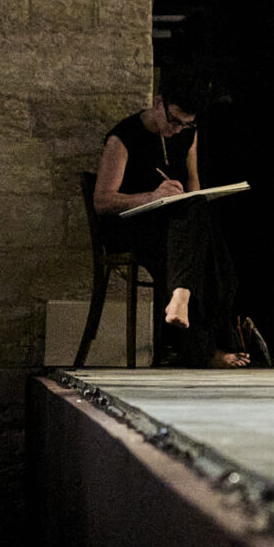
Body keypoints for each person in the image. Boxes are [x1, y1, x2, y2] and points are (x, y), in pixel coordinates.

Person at [92, 72, 253, 366]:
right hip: (130, 226)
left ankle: (183, 300)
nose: (178, 129)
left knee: (205, 235)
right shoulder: (124, 137)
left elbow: (194, 188)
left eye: (186, 124)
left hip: (174, 227)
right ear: (158, 103)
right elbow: (102, 201)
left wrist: (197, 203)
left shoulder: (188, 134)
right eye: (173, 120)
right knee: (199, 251)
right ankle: (209, 345)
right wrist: (151, 197)